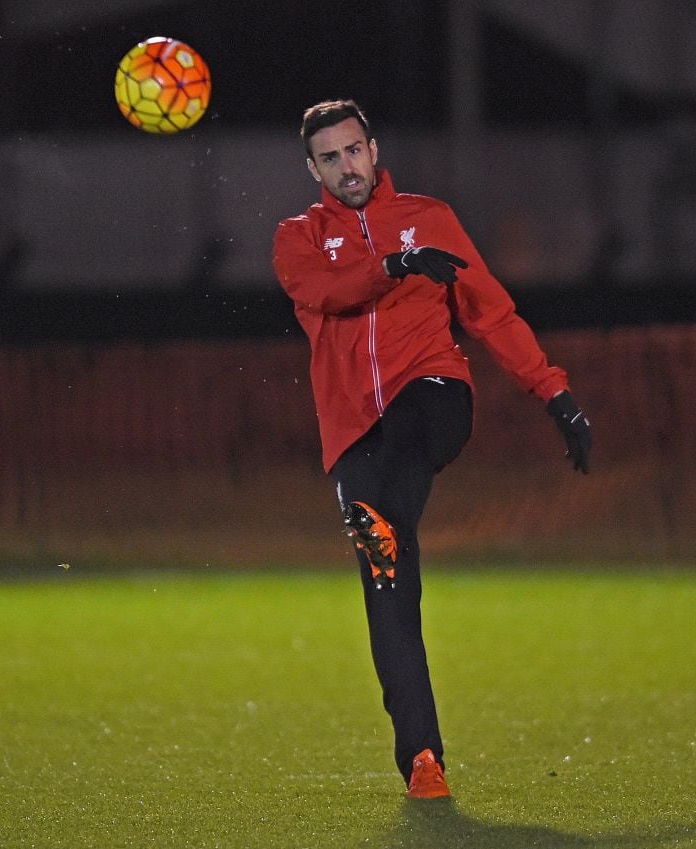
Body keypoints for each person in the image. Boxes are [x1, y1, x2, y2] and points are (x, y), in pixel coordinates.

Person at [272, 99, 591, 799]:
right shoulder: (297, 238)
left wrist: (554, 393)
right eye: (330, 157)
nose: (346, 165)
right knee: (389, 585)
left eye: (354, 149)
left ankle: (382, 519)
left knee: (397, 476)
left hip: (435, 393)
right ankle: (422, 758)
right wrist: (393, 263)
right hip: (354, 428)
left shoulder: (432, 217)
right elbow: (327, 291)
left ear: (374, 148)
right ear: (312, 168)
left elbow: (491, 312)